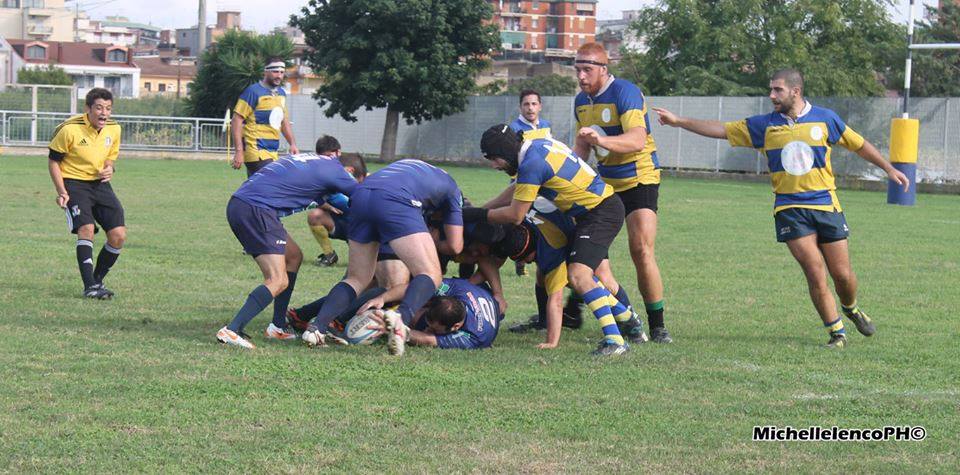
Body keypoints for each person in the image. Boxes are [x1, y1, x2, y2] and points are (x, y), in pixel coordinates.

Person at [651, 69, 909, 348]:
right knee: (814, 270)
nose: (772, 95)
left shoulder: (826, 119)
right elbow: (721, 129)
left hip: (825, 204)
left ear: (795, 91)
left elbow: (859, 145)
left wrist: (888, 168)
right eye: (771, 90)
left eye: (778, 90)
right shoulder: (764, 125)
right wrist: (679, 122)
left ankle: (851, 308)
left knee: (843, 275)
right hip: (789, 208)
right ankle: (837, 333)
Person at [472, 124, 645, 356]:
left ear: (505, 152)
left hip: (599, 212)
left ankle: (615, 341)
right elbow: (516, 190)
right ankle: (629, 321)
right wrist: (481, 210)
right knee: (586, 280)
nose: (494, 165)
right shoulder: (535, 145)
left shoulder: (531, 165)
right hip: (590, 213)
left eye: (494, 159)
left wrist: (477, 215)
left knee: (579, 275)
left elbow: (515, 215)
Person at [301, 159, 464, 357]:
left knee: (357, 278)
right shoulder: (453, 188)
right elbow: (456, 246)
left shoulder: (410, 166)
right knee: (430, 273)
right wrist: (431, 240)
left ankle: (317, 328)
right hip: (396, 200)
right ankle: (401, 320)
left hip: (361, 196)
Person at [572, 42, 673, 344]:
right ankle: (626, 318)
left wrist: (601, 140)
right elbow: (582, 146)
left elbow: (637, 140)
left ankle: (658, 326)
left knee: (641, 249)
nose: (581, 76)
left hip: (639, 177)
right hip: (605, 184)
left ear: (604, 69)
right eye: (577, 70)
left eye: (587, 69)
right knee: (592, 253)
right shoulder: (581, 101)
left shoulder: (625, 92)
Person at [217, 150, 367, 349]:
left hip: (242, 204)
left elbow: (336, 199)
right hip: (257, 209)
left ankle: (277, 326)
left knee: (293, 257)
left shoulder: (318, 161)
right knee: (277, 280)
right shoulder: (336, 171)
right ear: (349, 171)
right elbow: (363, 199)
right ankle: (232, 330)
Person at [47, 88, 125, 299]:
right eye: (99, 107)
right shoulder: (69, 129)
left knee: (118, 236)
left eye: (108, 108)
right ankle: (90, 286)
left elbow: (111, 157)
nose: (104, 113)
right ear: (88, 109)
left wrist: (110, 167)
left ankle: (97, 281)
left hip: (100, 184)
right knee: (86, 228)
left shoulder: (114, 129)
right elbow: (54, 161)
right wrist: (61, 190)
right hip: (74, 182)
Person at [230, 56, 299, 177]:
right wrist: (239, 151)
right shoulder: (253, 92)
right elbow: (236, 120)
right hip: (256, 151)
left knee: (258, 191)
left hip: (272, 152)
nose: (279, 75)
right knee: (274, 183)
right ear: (265, 71)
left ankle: (242, 196)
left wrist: (292, 144)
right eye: (275, 71)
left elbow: (284, 122)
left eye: (282, 72)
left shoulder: (281, 93)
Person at [508, 89, 551, 277]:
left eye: (534, 104)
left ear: (540, 106)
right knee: (522, 219)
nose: (530, 108)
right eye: (526, 104)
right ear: (520, 107)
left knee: (543, 220)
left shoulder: (546, 126)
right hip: (523, 182)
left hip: (544, 184)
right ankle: (520, 257)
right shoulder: (514, 128)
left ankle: (541, 256)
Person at [304, 136, 363, 266]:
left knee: (364, 265)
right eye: (322, 157)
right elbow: (312, 198)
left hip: (360, 224)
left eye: (330, 156)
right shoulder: (318, 173)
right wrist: (328, 207)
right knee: (314, 215)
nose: (326, 161)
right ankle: (329, 255)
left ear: (338, 152)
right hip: (339, 221)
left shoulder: (348, 170)